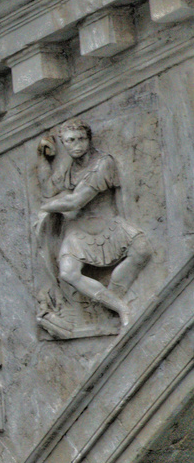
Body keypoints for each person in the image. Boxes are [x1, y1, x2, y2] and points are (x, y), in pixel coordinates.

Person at [33, 119, 151, 330]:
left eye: (81, 139)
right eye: (70, 141)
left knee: (141, 250)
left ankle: (109, 300)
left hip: (108, 225)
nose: (77, 145)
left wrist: (46, 207)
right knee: (68, 272)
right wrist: (44, 159)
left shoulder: (103, 163)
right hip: (79, 230)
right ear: (63, 142)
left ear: (88, 140)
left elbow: (75, 201)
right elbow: (47, 190)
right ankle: (120, 307)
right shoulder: (67, 168)